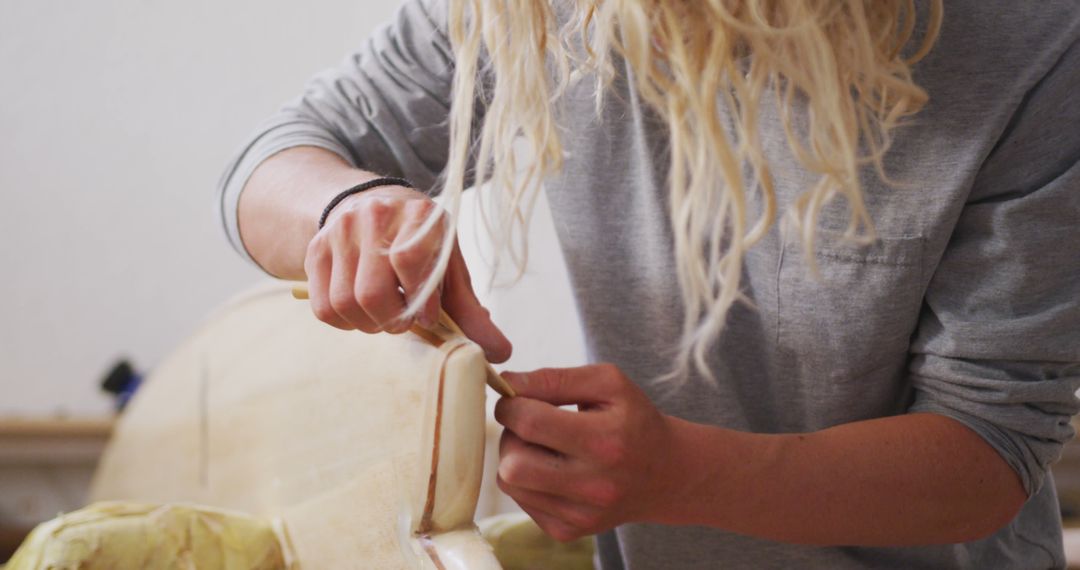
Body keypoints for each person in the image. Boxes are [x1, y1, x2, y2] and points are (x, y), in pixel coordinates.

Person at [218, 1, 1080, 568]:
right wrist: (350, 209)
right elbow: (277, 161)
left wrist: (684, 474)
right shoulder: (531, 11)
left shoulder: (1039, 41)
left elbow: (987, 449)